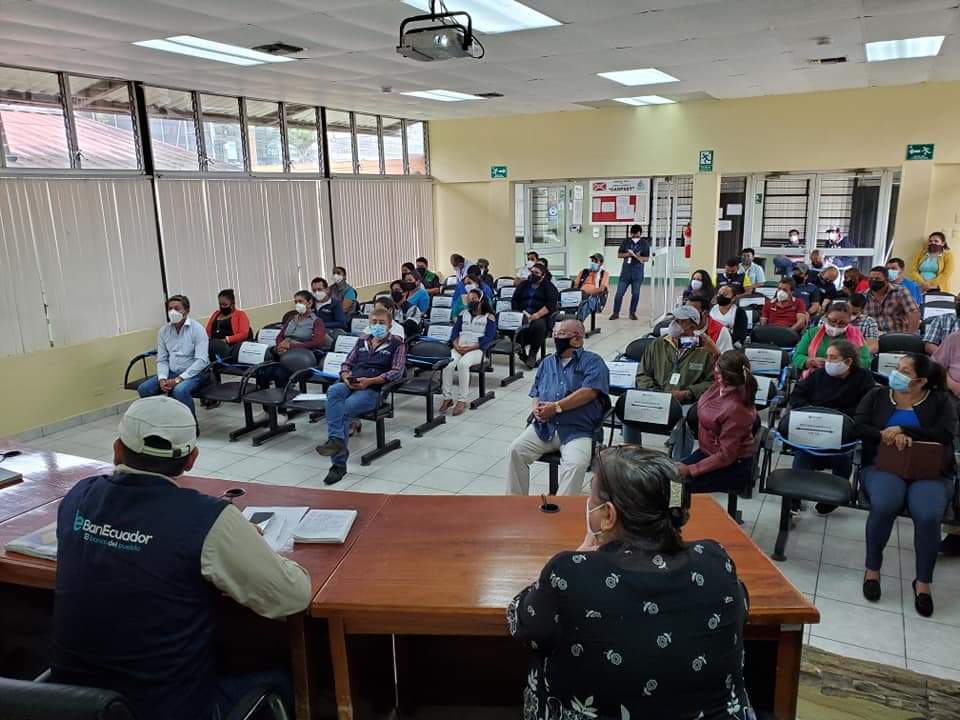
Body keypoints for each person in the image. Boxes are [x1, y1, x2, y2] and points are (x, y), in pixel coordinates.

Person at [52, 397, 312, 720]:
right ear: (191, 459)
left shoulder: (78, 496)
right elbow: (292, 596)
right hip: (165, 709)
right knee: (285, 678)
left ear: (118, 449)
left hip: (73, 706)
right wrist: (249, 544)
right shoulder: (209, 520)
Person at [507, 446, 752, 720]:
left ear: (608, 515)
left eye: (591, 496)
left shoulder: (569, 573)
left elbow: (523, 624)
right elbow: (740, 606)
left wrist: (583, 551)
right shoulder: (716, 559)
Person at [855, 354, 957, 617]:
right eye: (897, 368)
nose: (896, 374)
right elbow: (858, 427)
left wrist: (904, 430)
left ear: (921, 381)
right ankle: (872, 570)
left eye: (905, 371)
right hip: (883, 466)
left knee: (928, 515)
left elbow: (945, 434)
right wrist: (885, 434)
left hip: (929, 472)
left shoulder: (940, 401)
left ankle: (923, 582)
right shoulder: (877, 395)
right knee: (884, 504)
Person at [506, 319, 609, 496]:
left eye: (561, 334)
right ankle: (516, 503)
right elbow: (537, 391)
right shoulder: (547, 362)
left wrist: (556, 407)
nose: (556, 338)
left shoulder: (593, 362)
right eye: (555, 334)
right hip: (545, 427)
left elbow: (589, 392)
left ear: (577, 338)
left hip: (577, 430)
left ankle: (562, 508)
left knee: (575, 465)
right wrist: (537, 409)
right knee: (515, 451)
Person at [315, 308, 406, 486]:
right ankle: (336, 441)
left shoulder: (398, 344)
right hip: (352, 382)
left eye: (382, 323)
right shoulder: (361, 341)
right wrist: (345, 376)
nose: (377, 326)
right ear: (369, 324)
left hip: (374, 389)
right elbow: (346, 363)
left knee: (345, 409)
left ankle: (338, 464)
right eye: (374, 322)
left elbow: (396, 372)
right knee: (333, 392)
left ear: (389, 325)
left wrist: (370, 381)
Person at [789, 339, 876, 515]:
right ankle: (794, 496)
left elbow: (866, 407)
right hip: (815, 423)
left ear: (848, 361)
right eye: (827, 356)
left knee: (842, 456)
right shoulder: (819, 375)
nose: (827, 361)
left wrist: (837, 417)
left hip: (845, 427)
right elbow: (797, 395)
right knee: (803, 453)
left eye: (832, 357)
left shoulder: (863, 378)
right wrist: (810, 411)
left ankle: (833, 495)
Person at [631, 306, 717, 455]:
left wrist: (688, 393)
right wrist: (655, 393)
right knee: (629, 412)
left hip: (687, 401)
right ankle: (632, 454)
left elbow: (712, 382)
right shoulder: (658, 344)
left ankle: (679, 463)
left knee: (686, 423)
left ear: (692, 325)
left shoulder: (703, 349)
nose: (673, 324)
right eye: (673, 320)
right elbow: (643, 374)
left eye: (680, 321)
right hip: (657, 396)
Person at [675, 350, 758, 494]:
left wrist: (691, 469)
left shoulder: (737, 409)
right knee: (671, 477)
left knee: (677, 485)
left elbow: (726, 456)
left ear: (724, 376)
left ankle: (677, 507)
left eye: (717, 369)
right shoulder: (719, 386)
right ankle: (676, 506)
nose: (714, 370)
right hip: (709, 451)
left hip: (732, 465)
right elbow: (716, 359)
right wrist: (711, 348)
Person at [138, 294, 209, 418]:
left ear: (187, 310)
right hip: (172, 372)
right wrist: (162, 378)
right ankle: (162, 421)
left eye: (177, 308)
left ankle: (191, 424)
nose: (172, 312)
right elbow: (162, 359)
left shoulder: (197, 329)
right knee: (144, 389)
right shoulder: (164, 331)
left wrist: (179, 379)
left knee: (179, 390)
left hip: (195, 373)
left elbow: (201, 361)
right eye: (170, 309)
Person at [440, 289, 498, 416]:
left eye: (474, 299)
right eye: (469, 299)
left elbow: (489, 338)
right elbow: (455, 332)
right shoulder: (463, 314)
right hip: (459, 347)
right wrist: (456, 345)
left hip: (478, 350)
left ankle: (462, 400)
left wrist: (469, 349)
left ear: (481, 301)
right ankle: (447, 397)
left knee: (463, 364)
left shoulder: (489, 317)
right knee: (447, 364)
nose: (471, 301)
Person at [793, 302, 871, 374]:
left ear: (849, 322)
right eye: (833, 321)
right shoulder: (812, 333)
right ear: (826, 318)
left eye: (842, 323)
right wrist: (811, 361)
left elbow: (866, 361)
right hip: (816, 375)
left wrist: (844, 364)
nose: (836, 326)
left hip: (846, 377)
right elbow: (797, 356)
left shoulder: (856, 336)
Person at [511, 264, 559, 370]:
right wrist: (519, 313)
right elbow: (515, 300)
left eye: (536, 273)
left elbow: (550, 305)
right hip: (522, 314)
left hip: (540, 315)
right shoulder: (524, 285)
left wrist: (536, 315)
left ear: (543, 275)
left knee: (538, 326)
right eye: (532, 272)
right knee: (513, 326)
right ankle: (521, 352)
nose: (533, 275)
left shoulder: (549, 287)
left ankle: (533, 353)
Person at [609, 223, 649, 321]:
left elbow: (646, 258)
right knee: (619, 293)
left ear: (640, 233)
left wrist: (638, 257)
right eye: (633, 234)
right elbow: (619, 255)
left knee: (635, 294)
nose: (634, 236)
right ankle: (615, 313)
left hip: (637, 273)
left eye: (636, 234)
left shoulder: (644, 243)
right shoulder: (626, 242)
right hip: (625, 273)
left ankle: (632, 313)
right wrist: (628, 254)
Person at [864, 265, 920, 334]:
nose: (873, 281)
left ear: (886, 280)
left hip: (896, 335)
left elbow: (914, 314)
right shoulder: (864, 295)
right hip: (872, 337)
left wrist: (909, 336)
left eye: (877, 279)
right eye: (870, 279)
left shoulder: (900, 292)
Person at [205, 289, 250, 363]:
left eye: (225, 305)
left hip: (230, 347)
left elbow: (244, 334)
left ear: (232, 303)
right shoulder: (216, 314)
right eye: (220, 305)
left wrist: (226, 340)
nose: (222, 307)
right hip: (213, 345)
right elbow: (207, 331)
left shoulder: (240, 315)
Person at [574, 252, 610, 321]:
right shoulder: (583, 272)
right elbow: (576, 285)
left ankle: (579, 321)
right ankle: (569, 321)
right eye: (592, 261)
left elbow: (601, 289)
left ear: (601, 263)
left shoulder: (604, 274)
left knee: (588, 302)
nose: (593, 263)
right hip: (580, 295)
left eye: (596, 261)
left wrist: (587, 293)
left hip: (595, 297)